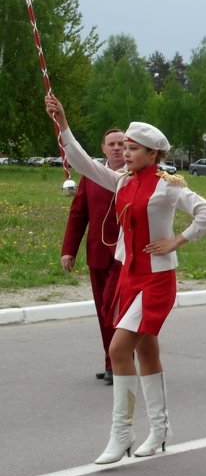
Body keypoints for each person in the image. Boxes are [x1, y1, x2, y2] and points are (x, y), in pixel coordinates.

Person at [45, 93, 206, 464]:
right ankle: (159, 430)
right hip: (129, 275)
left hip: (156, 280)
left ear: (154, 153)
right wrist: (63, 124)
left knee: (118, 350)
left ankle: (121, 434)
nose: (125, 153)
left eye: (134, 148)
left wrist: (177, 240)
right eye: (123, 147)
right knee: (145, 349)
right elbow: (82, 163)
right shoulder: (122, 182)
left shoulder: (168, 184)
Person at [60, 127, 126, 384]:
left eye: (122, 144)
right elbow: (78, 215)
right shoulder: (90, 176)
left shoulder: (135, 177)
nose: (117, 148)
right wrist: (69, 250)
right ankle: (112, 363)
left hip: (125, 257)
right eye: (112, 144)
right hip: (97, 254)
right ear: (103, 148)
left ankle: (121, 362)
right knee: (102, 310)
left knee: (114, 308)